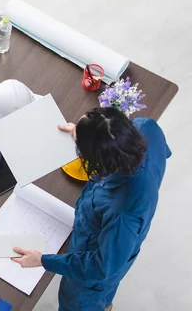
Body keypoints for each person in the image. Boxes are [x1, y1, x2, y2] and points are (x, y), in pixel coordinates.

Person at [11, 107, 171, 311]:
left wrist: (42, 260)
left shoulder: (123, 212)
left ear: (101, 159)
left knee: (80, 303)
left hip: (93, 271)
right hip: (108, 238)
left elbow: (101, 267)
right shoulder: (145, 127)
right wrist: (86, 134)